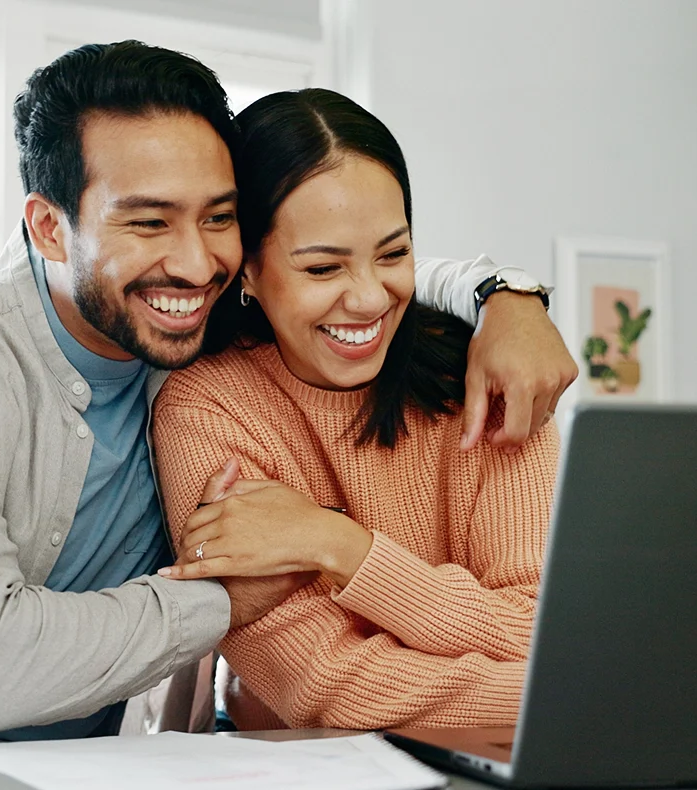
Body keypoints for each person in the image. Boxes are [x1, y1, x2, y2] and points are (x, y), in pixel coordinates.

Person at [0, 42, 575, 753]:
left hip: (80, 771)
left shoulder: (196, 328)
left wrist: (509, 296)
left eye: (217, 218)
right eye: (147, 221)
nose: (195, 262)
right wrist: (220, 606)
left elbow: (341, 263)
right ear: (49, 225)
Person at [151, 88, 560, 731]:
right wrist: (568, 704)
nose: (370, 298)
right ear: (247, 271)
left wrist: (338, 544)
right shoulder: (206, 410)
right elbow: (323, 683)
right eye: (322, 268)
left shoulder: (487, 381)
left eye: (394, 254)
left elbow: (547, 630)